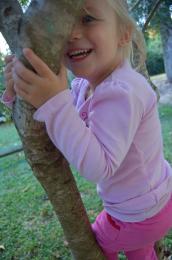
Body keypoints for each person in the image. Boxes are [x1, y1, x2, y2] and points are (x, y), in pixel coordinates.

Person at [2, 0, 172, 259]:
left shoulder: (122, 91)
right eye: (66, 24)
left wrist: (55, 103)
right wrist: (25, 92)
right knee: (141, 251)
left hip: (139, 215)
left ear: (124, 33)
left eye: (88, 19)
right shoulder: (86, 84)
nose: (72, 33)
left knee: (92, 247)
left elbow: (97, 166)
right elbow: (64, 129)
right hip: (151, 205)